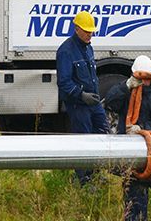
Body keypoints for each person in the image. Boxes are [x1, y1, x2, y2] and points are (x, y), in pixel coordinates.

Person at [105, 56, 151, 221]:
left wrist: (142, 128)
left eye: (146, 77)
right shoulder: (125, 95)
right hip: (135, 165)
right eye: (140, 77)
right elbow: (109, 102)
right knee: (135, 210)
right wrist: (125, 87)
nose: (144, 81)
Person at [56, 10, 108, 185]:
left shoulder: (89, 48)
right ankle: (83, 179)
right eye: (86, 31)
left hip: (93, 103)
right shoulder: (66, 51)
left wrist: (94, 97)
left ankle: (95, 173)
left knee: (102, 133)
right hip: (78, 105)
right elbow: (63, 82)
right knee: (84, 140)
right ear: (77, 29)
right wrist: (81, 95)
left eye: (91, 31)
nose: (89, 34)